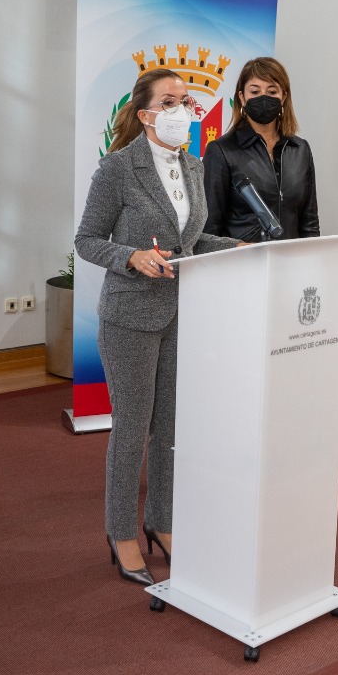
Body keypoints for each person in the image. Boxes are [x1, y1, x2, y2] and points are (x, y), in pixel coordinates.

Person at [75, 68, 241, 585]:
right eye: (170, 102)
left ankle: (161, 522)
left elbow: (190, 241)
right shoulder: (118, 168)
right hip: (130, 316)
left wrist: (236, 247)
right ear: (146, 114)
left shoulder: (193, 166)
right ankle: (121, 531)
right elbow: (87, 240)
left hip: (181, 314)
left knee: (170, 427)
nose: (182, 110)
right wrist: (131, 257)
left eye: (185, 101)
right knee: (131, 428)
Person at [202, 57, 320, 241]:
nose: (263, 98)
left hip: (292, 257)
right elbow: (210, 229)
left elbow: (309, 224)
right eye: (255, 91)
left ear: (283, 97)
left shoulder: (300, 149)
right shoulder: (221, 150)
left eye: (272, 91)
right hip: (243, 258)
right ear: (242, 97)